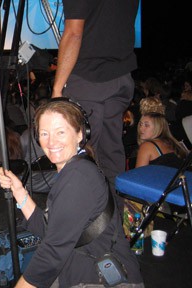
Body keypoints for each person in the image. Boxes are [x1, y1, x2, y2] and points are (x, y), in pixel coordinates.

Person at [0, 99, 143, 287]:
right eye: (44, 133)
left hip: (101, 279)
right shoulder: (75, 169)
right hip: (84, 270)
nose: (51, 142)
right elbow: (50, 230)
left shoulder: (78, 176)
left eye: (60, 132)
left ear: (80, 134)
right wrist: (19, 191)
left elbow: (52, 252)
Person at [51, 0, 140, 213]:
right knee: (110, 156)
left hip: (90, 79)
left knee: (79, 160)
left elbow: (74, 33)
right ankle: (111, 228)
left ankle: (81, 229)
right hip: (120, 78)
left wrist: (56, 90)